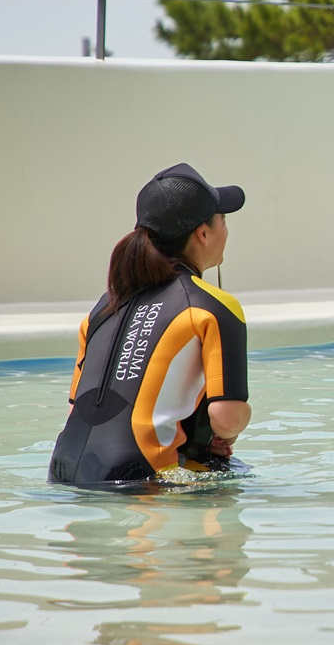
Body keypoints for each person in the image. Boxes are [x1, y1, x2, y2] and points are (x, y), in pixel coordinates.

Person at [48, 163, 252, 485]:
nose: (226, 230)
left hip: (63, 472)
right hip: (138, 479)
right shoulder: (211, 307)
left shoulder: (103, 307)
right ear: (203, 233)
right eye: (222, 220)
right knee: (235, 480)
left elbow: (82, 409)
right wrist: (227, 431)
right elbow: (226, 419)